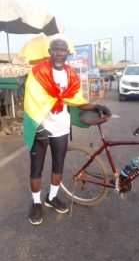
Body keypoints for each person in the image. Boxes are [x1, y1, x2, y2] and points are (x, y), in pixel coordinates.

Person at [23, 35, 111, 225]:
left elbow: (75, 100)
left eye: (63, 50)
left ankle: (51, 197)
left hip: (61, 127)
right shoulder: (37, 73)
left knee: (58, 165)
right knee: (36, 168)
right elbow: (30, 102)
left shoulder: (71, 73)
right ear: (49, 52)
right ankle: (36, 203)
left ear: (68, 53)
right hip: (41, 128)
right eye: (55, 49)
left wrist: (95, 106)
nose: (59, 53)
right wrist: (38, 127)